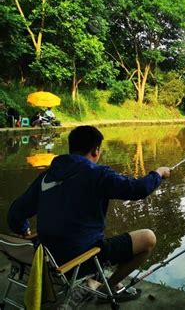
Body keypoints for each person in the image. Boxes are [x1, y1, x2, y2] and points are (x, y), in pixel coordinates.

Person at [8, 125, 171, 302]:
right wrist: (159, 173)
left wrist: (24, 231)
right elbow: (138, 189)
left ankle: (93, 281)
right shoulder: (97, 174)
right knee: (148, 238)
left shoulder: (46, 177)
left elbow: (15, 214)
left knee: (93, 232)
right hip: (80, 260)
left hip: (48, 258)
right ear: (96, 151)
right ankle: (106, 289)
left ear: (71, 148)